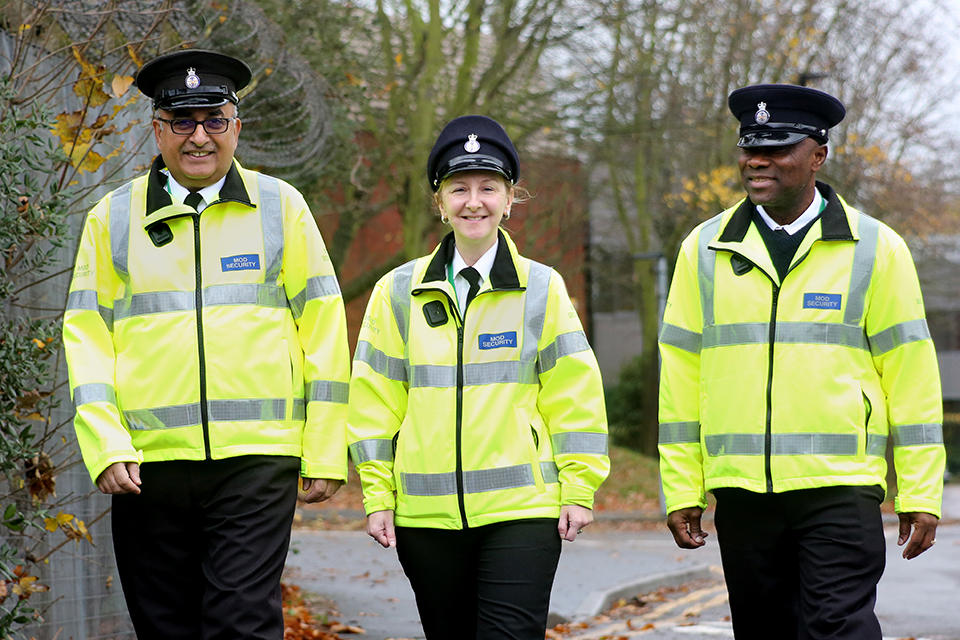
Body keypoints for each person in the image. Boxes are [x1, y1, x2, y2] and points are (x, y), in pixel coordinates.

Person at [62, 49, 351, 640]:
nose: (199, 137)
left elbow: (323, 329)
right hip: (147, 465)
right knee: (165, 627)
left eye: (214, 119)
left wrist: (323, 450)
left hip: (256, 459)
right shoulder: (111, 219)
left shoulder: (282, 209)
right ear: (157, 129)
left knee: (240, 622)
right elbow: (87, 337)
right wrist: (105, 443)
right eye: (181, 122)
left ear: (236, 126)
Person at [657, 83, 945, 640]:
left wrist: (920, 491)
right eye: (748, 147)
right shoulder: (703, 248)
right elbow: (680, 376)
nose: (756, 160)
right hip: (742, 494)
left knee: (838, 627)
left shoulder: (875, 248)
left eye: (777, 147)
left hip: (840, 490)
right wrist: (681, 488)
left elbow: (910, 375)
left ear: (818, 155)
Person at [346, 115, 609, 639]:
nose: (474, 202)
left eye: (489, 188)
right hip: (425, 518)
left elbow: (574, 394)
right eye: (459, 188)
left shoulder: (542, 288)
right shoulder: (396, 292)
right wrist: (378, 495)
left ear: (510, 198)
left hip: (523, 514)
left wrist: (579, 486)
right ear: (438, 202)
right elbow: (374, 401)